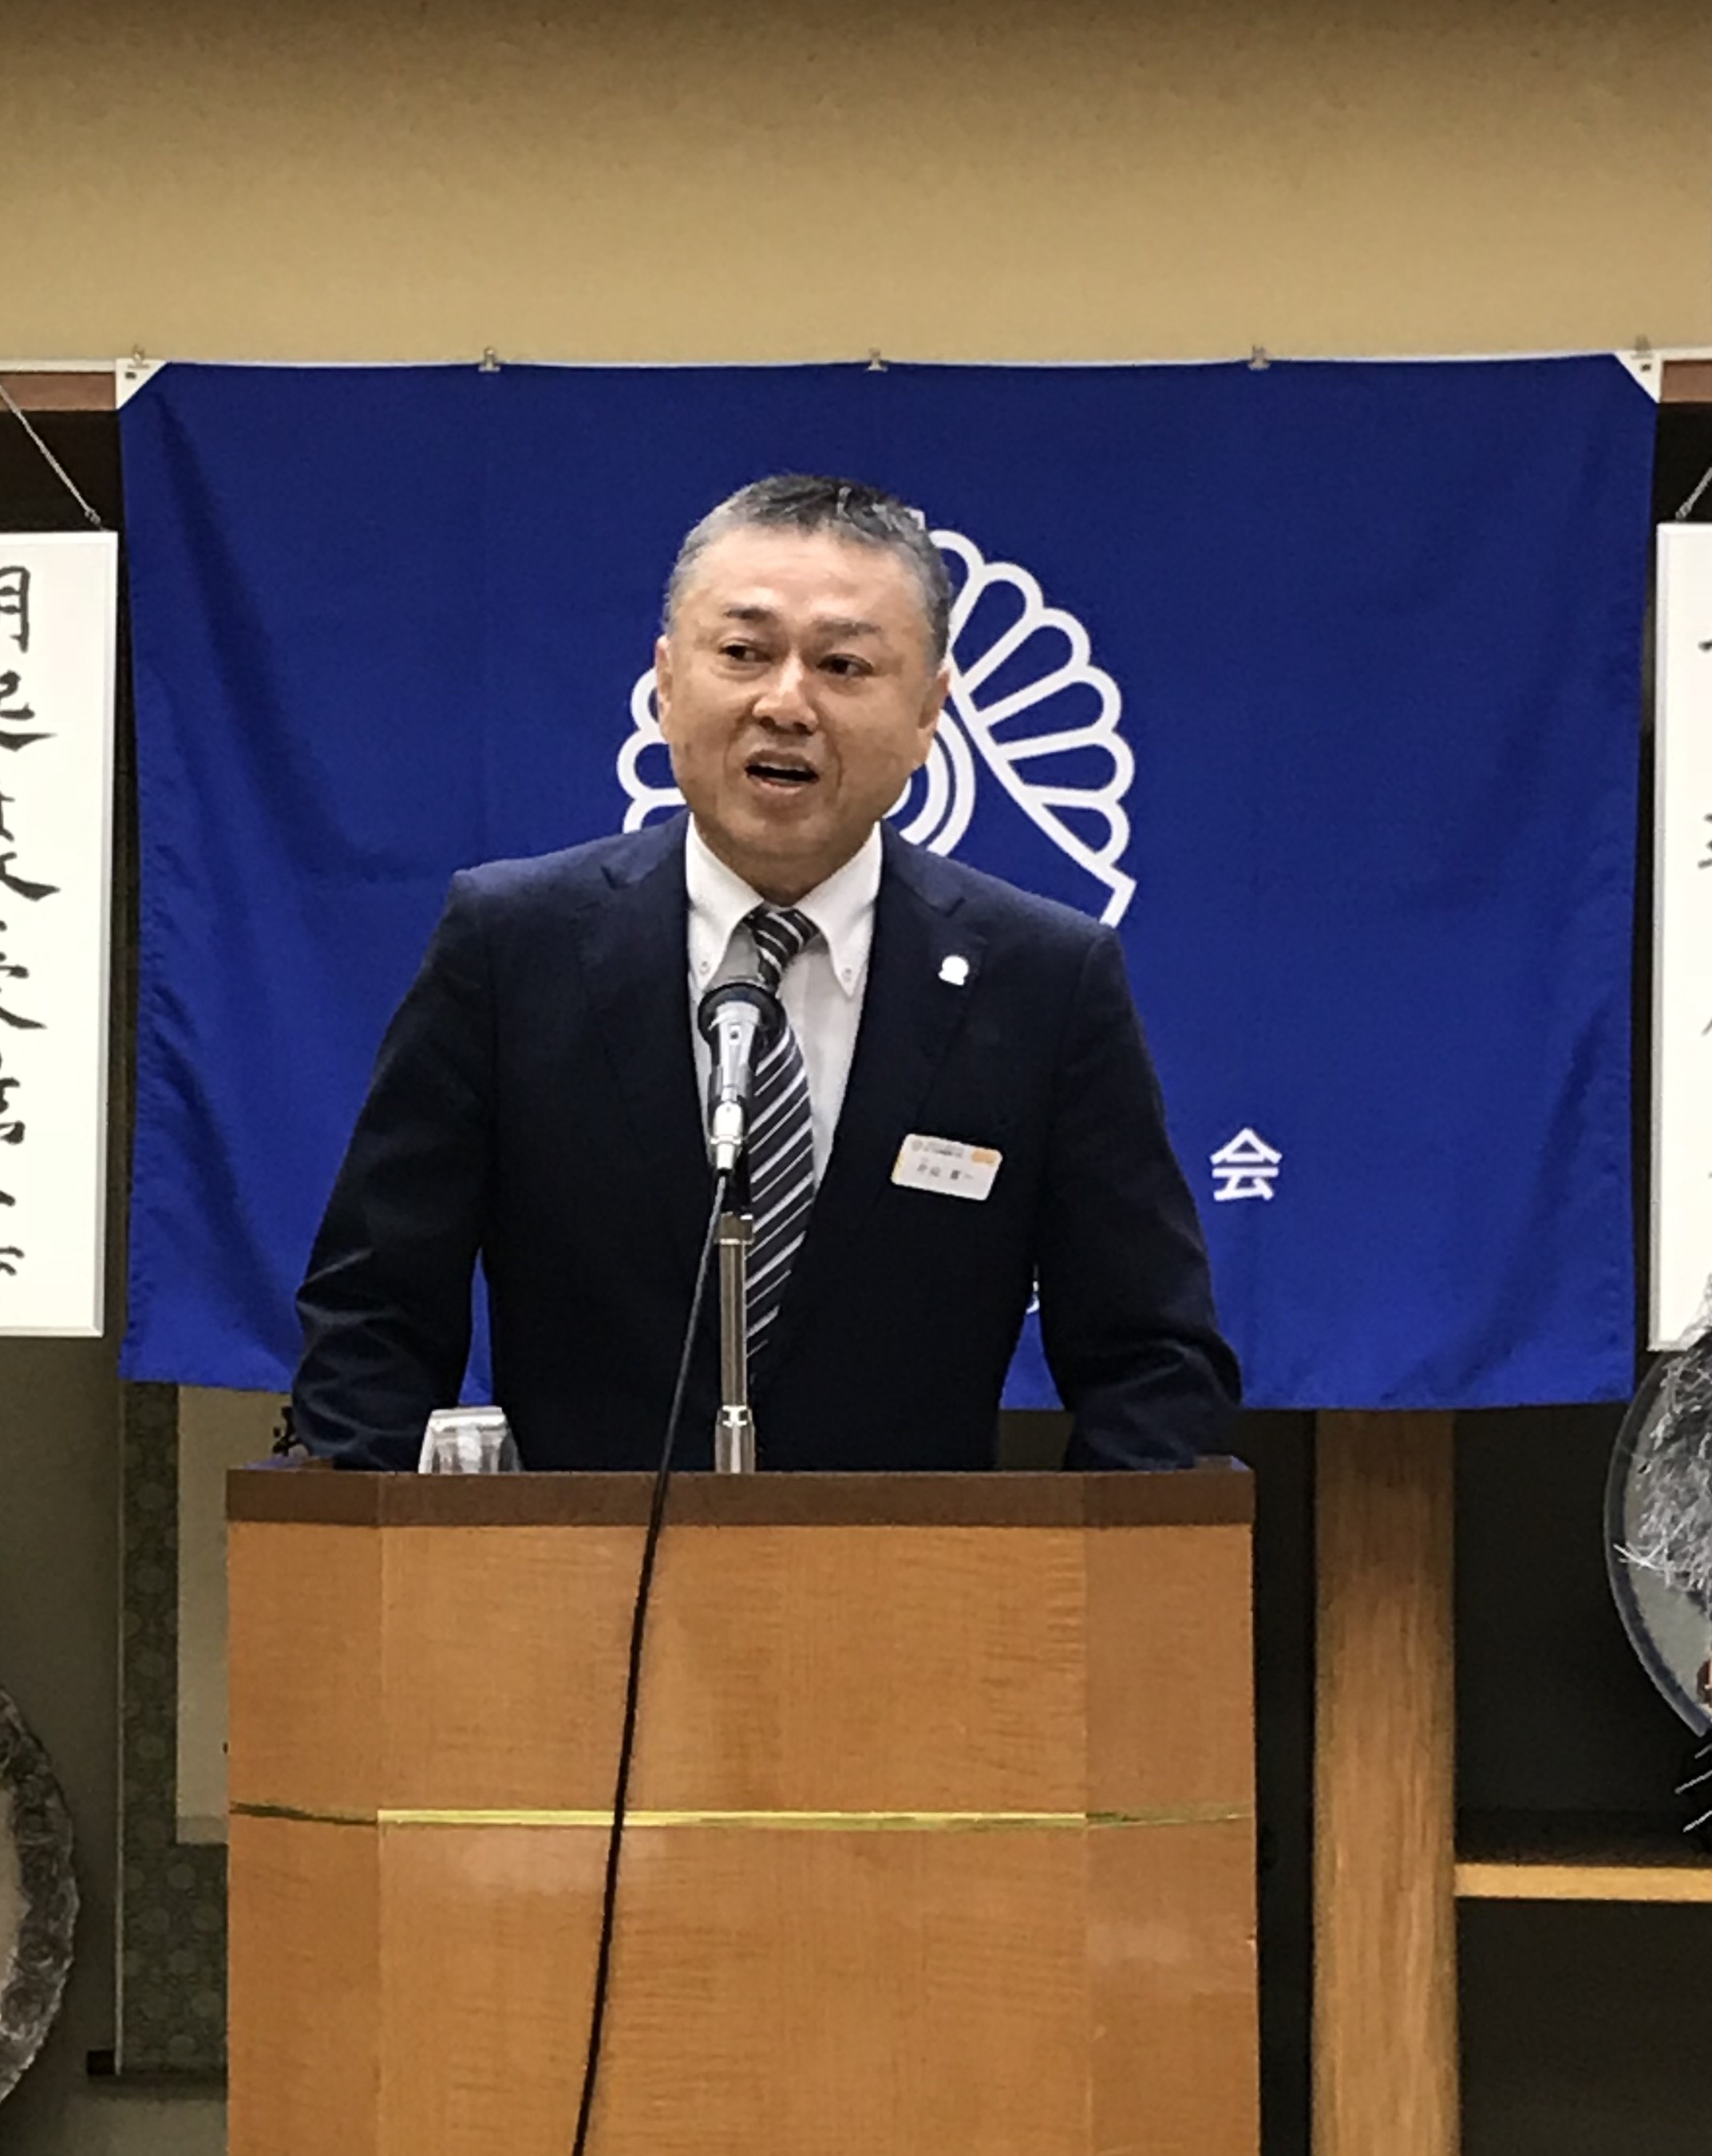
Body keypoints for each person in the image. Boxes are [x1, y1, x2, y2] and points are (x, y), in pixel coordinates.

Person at [292, 471, 1237, 1473]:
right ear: (666, 682)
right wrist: (381, 1541)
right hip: (574, 1565)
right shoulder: (513, 944)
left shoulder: (1043, 980)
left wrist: (1070, 1567)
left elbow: (1153, 1360)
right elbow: (374, 1317)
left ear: (929, 714)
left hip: (916, 1567)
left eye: (843, 665)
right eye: (743, 653)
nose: (786, 703)